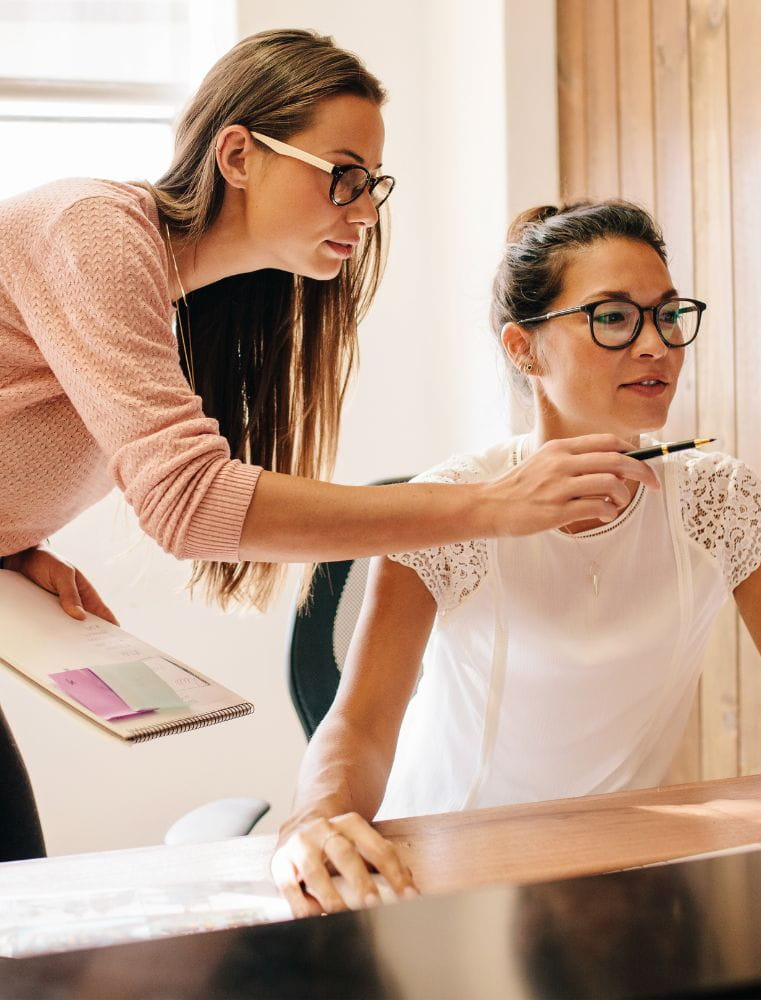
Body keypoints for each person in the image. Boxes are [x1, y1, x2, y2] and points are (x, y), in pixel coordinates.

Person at [0, 31, 658, 863]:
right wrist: (491, 508)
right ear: (238, 153)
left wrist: (15, 546)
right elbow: (192, 506)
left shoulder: (176, 299)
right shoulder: (93, 231)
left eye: (373, 184)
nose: (367, 209)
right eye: (343, 176)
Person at [271, 199, 761, 917]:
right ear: (523, 348)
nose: (656, 344)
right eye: (613, 317)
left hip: (617, 873)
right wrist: (314, 816)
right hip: (439, 870)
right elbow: (359, 726)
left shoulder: (720, 502)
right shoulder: (449, 506)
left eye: (667, 315)